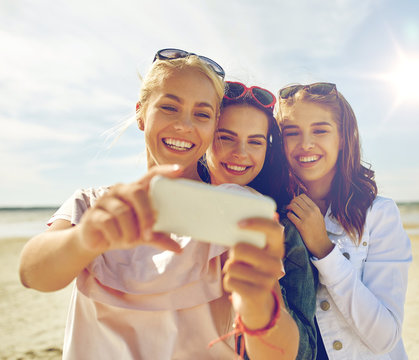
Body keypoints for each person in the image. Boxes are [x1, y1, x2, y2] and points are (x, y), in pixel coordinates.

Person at [18, 49, 299, 360]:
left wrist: (260, 304)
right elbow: (32, 273)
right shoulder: (95, 203)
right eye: (169, 107)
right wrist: (86, 238)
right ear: (141, 113)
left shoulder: (236, 210)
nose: (184, 125)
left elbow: (279, 355)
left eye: (202, 114)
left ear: (213, 126)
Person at [276, 82, 412, 359]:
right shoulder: (272, 213)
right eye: (292, 133)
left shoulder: (379, 215)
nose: (305, 144)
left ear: (342, 137)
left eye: (320, 130)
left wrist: (324, 251)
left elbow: (385, 337)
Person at [203, 81, 318, 359]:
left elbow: (305, 352)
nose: (241, 152)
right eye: (226, 137)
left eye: (255, 141)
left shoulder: (281, 230)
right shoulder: (173, 211)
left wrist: (264, 300)